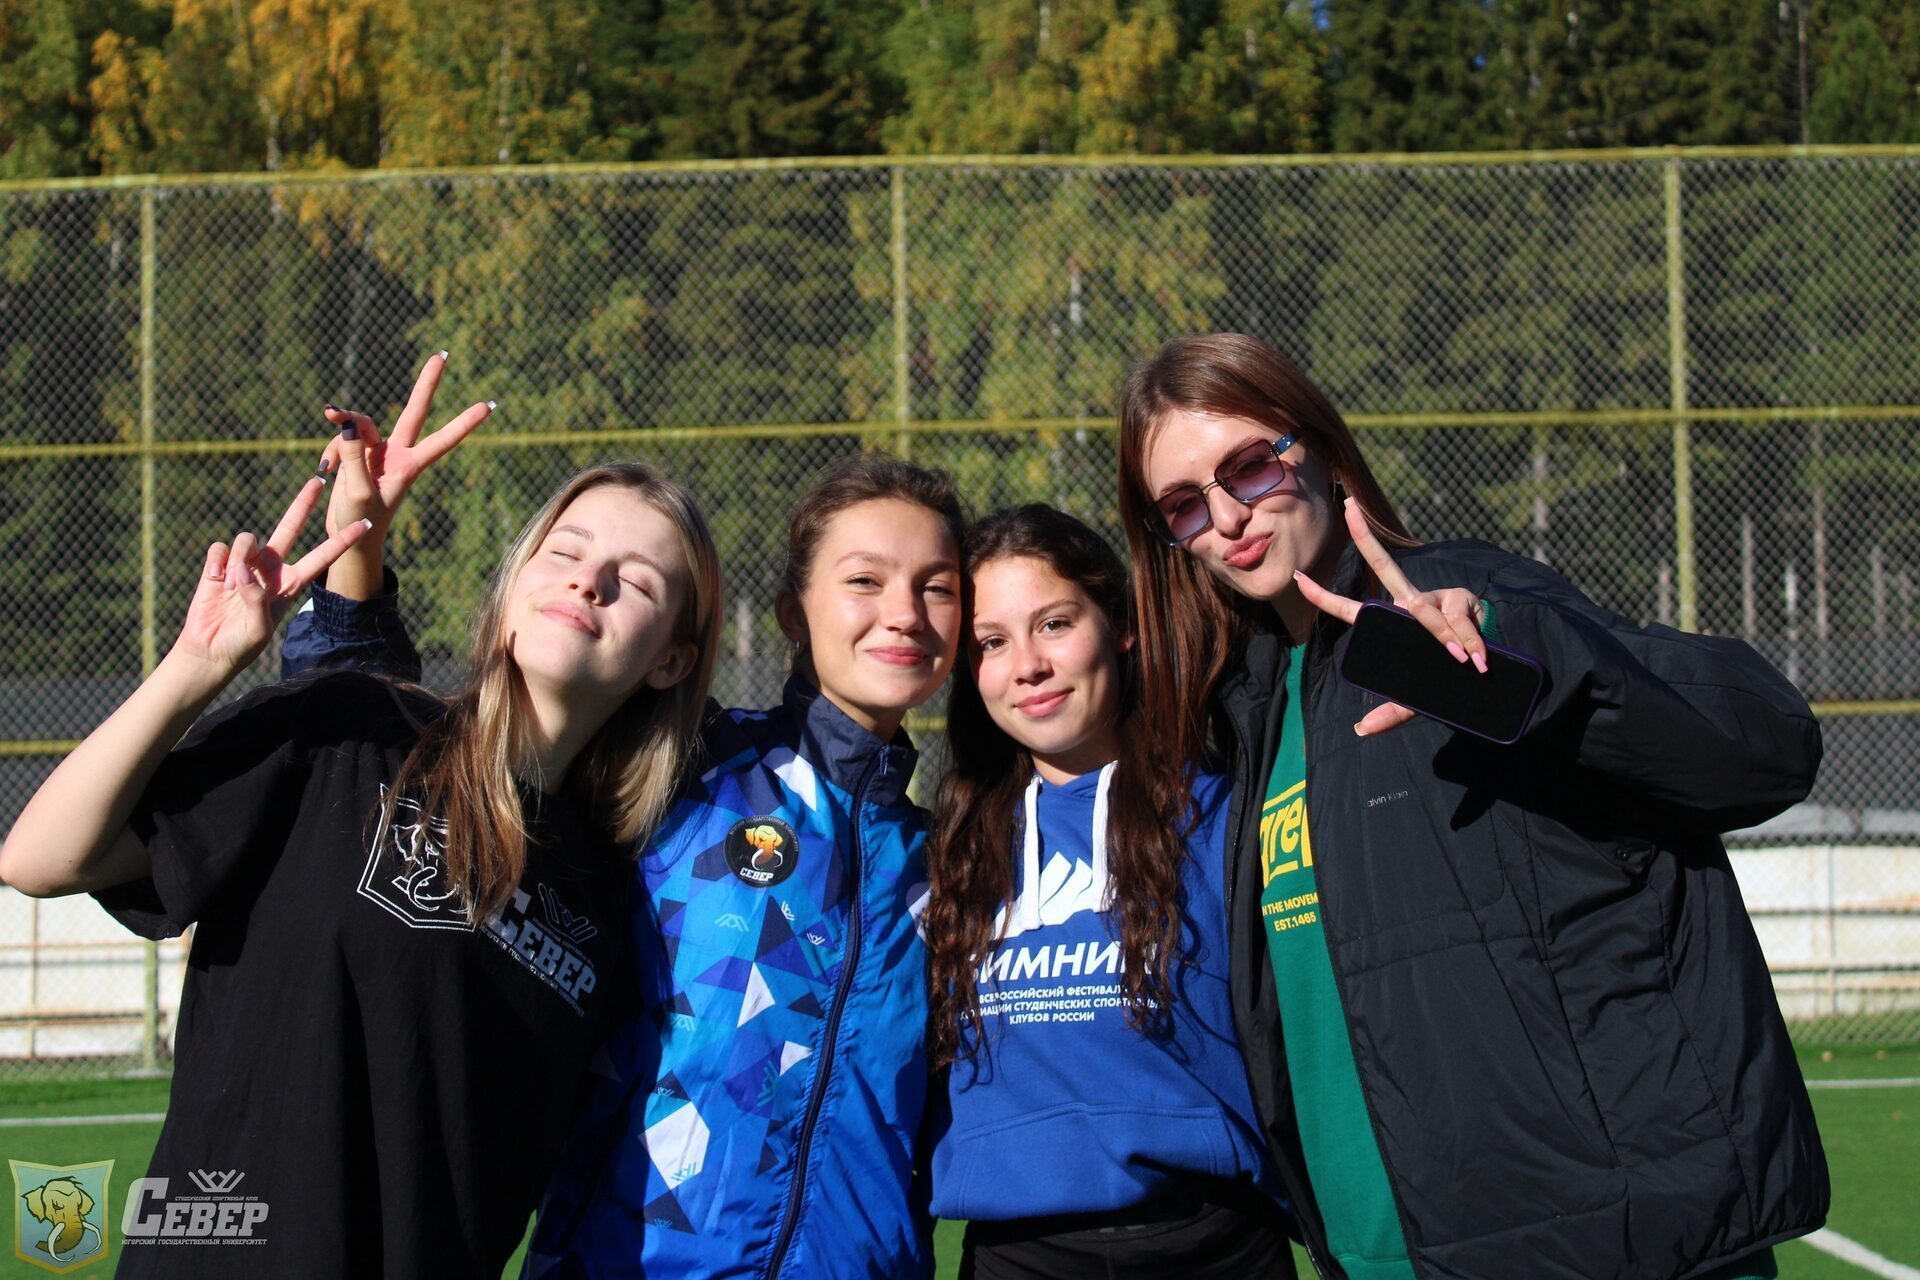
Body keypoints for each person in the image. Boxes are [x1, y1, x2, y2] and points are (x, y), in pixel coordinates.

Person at [1114, 332, 1826, 1280]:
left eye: (1248, 466)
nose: (1227, 516)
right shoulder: (1249, 706)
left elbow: (1768, 747)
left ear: (1318, 448)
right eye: (1183, 504)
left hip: (1611, 1252)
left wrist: (1520, 658)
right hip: (1385, 1255)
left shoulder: (1467, 607)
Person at [0, 366, 726, 1277]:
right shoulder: (352, 729)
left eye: (637, 582)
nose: (590, 581)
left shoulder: (616, 895)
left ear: (671, 662)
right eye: (566, 550)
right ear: (513, 583)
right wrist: (196, 666)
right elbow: (39, 858)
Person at [283, 420, 967, 1277]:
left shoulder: (954, 865)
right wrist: (358, 560)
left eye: (938, 588)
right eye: (865, 579)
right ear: (793, 611)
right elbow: (429, 754)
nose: (903, 614)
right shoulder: (682, 765)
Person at [923, 504, 1292, 1278]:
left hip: (1217, 1241)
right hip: (1018, 1255)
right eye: (992, 643)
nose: (1027, 665)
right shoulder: (949, 851)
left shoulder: (1228, 814)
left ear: (1120, 626)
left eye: (1054, 624)